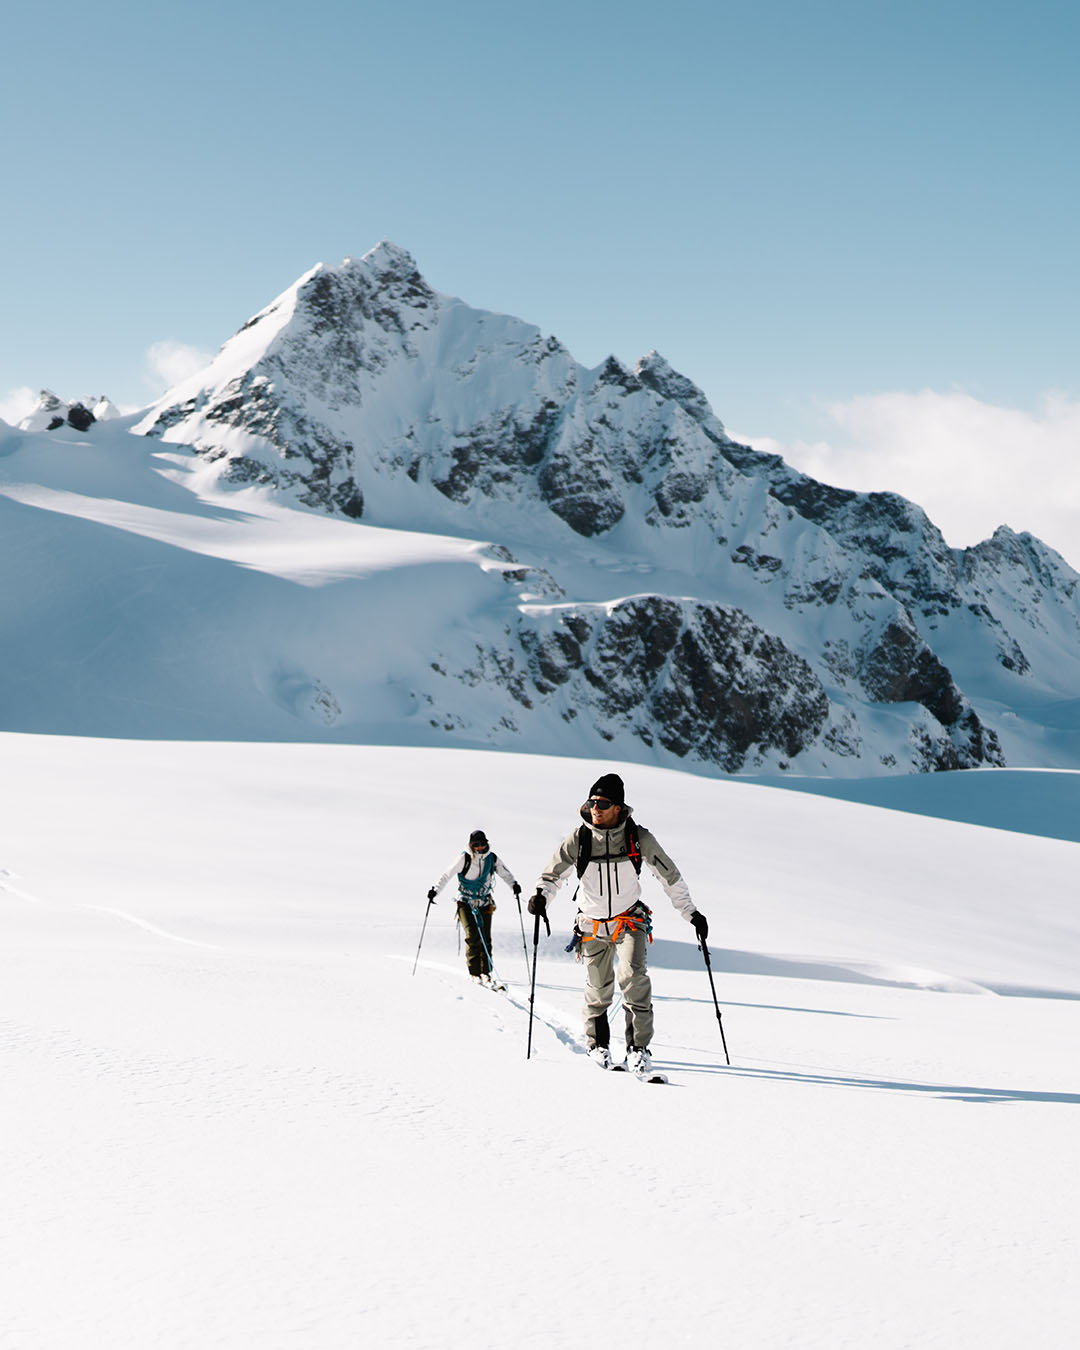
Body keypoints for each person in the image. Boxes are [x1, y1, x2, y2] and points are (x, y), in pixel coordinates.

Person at [528, 773, 707, 1074]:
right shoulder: (580, 839)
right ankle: (597, 1045)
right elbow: (552, 875)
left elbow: (670, 877)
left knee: (633, 978)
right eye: (592, 802)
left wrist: (691, 913)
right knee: (598, 989)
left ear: (618, 807)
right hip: (592, 926)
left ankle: (638, 1050)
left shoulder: (638, 838)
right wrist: (541, 898)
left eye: (603, 802)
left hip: (629, 921)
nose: (595, 808)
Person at [428, 830, 520, 987]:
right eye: (475, 845)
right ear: (471, 845)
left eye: (482, 844)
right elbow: (447, 875)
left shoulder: (492, 859)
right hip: (465, 902)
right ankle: (474, 972)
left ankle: (486, 972)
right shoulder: (464, 858)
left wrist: (514, 885)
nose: (479, 848)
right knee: (472, 936)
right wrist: (435, 890)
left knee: (486, 938)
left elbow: (505, 873)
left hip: (485, 902)